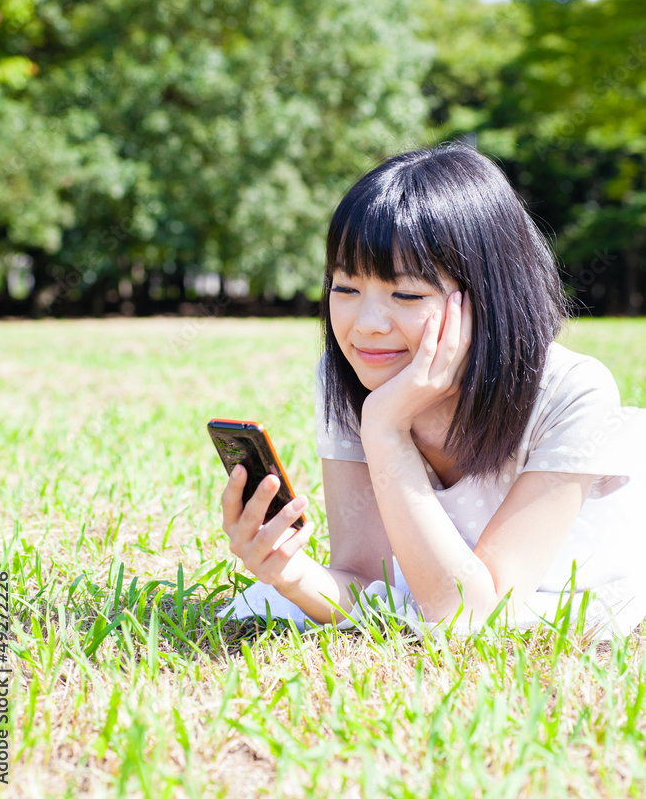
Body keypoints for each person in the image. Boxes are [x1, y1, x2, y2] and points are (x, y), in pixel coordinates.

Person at [219, 143, 646, 642]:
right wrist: (287, 573)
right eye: (345, 288)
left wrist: (384, 428)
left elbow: (470, 617)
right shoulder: (347, 376)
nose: (368, 326)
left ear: (489, 296)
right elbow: (367, 582)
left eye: (407, 294)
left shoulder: (570, 393)